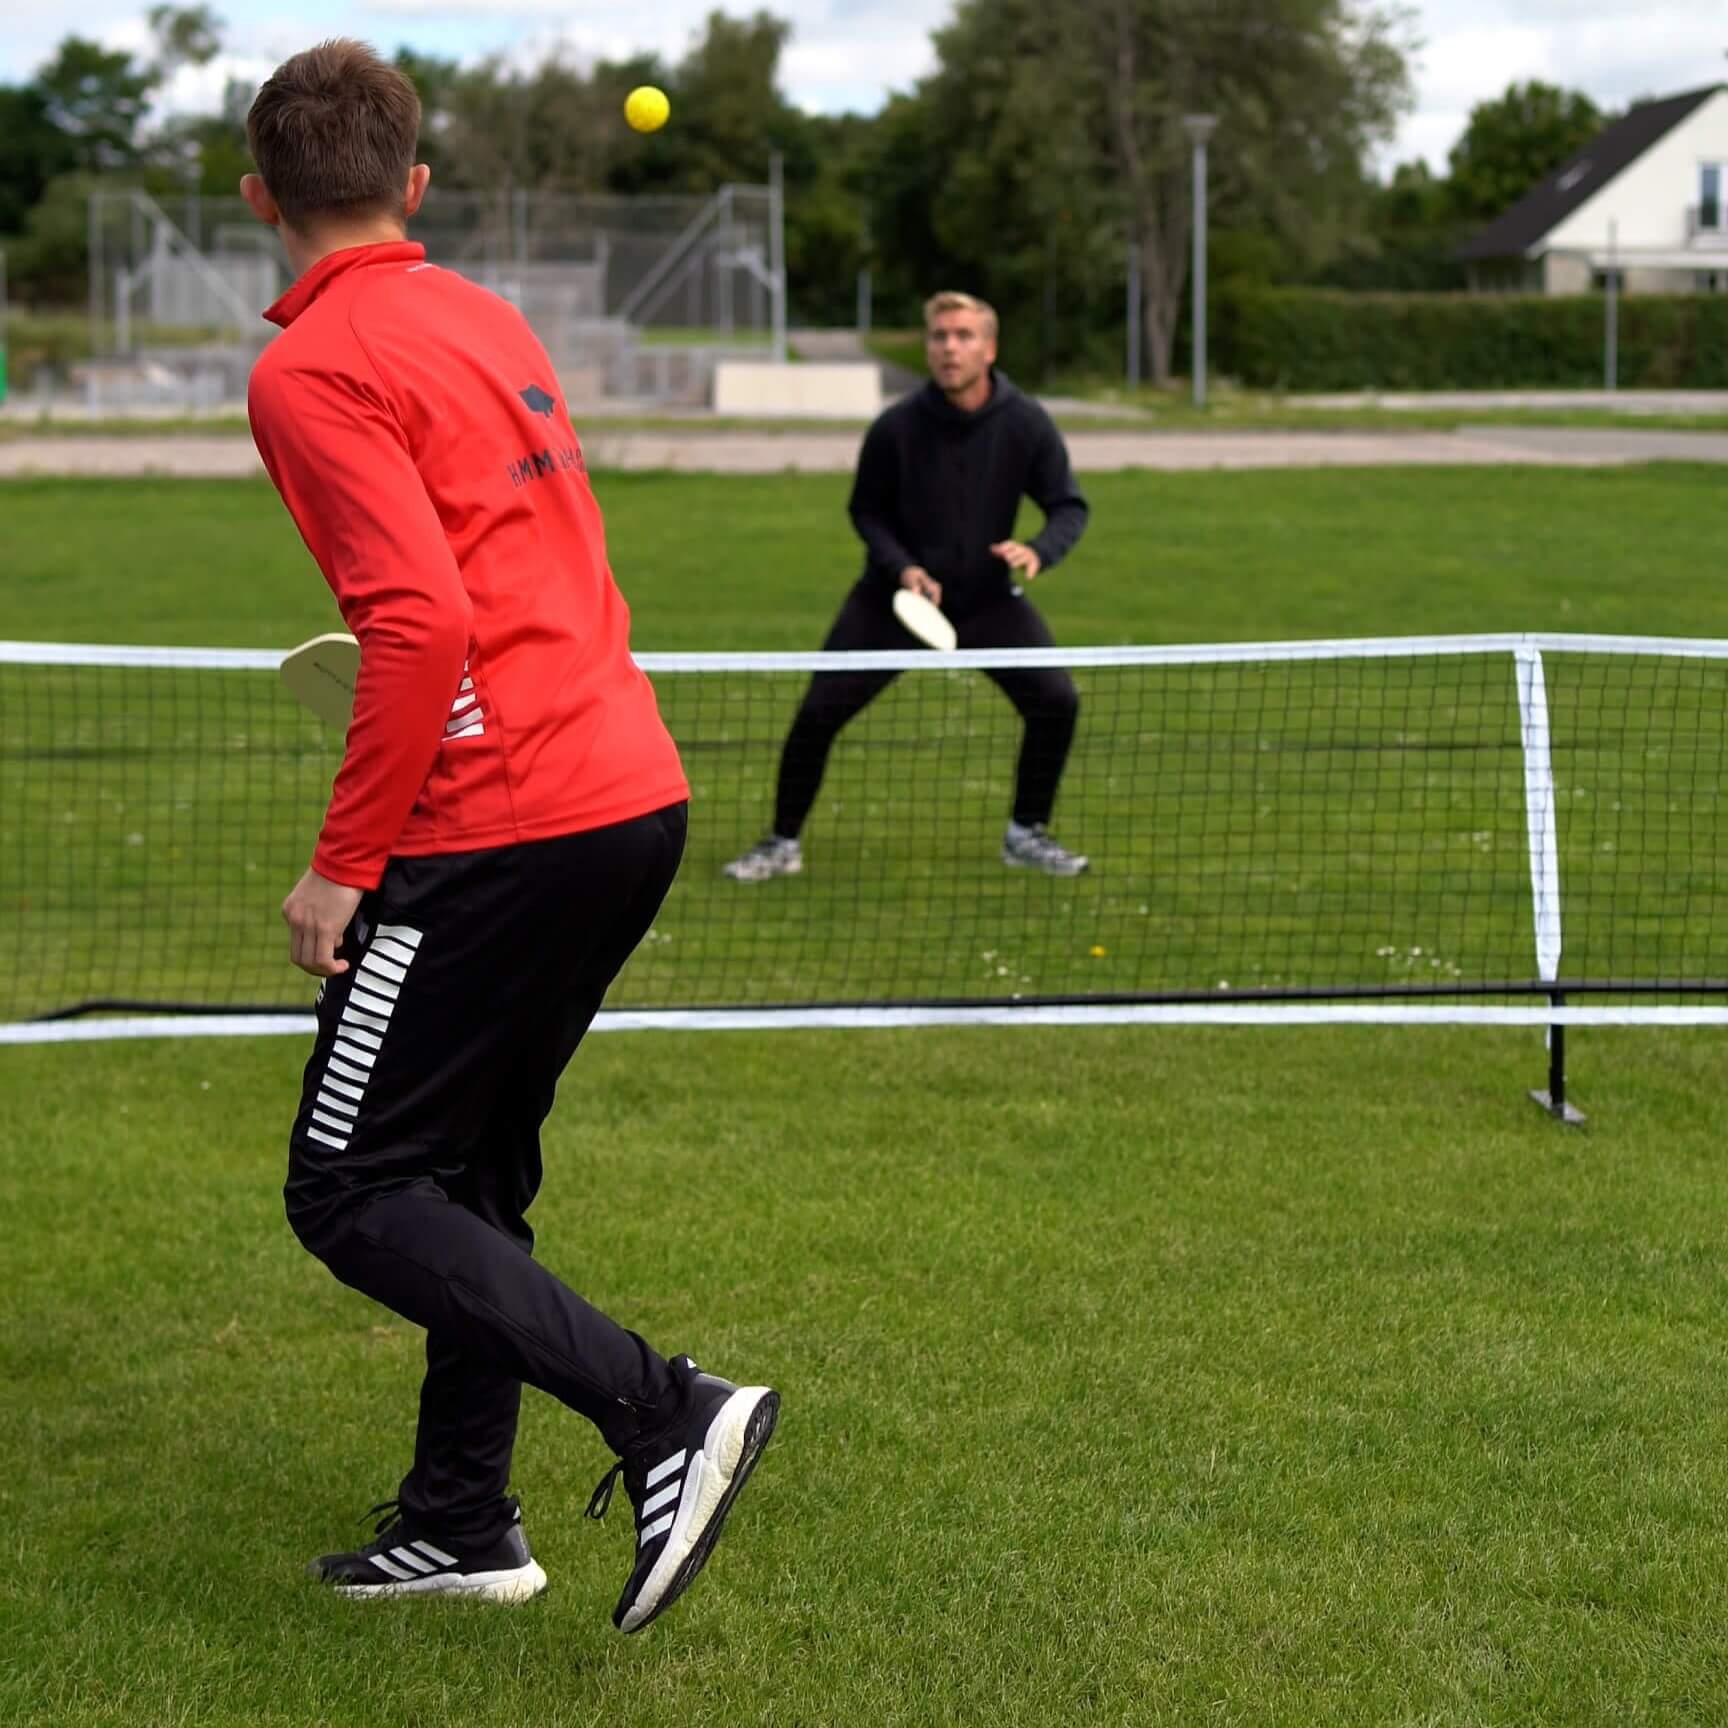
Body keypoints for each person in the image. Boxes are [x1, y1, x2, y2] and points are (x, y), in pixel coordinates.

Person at [242, 38, 776, 1633]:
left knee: (348, 1187)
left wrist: (344, 864)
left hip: (502, 824)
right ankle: (459, 1522)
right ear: (411, 185)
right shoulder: (483, 315)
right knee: (464, 1178)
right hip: (629, 794)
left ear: (262, 198)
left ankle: (662, 1407)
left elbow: (418, 620)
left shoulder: (305, 369)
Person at [724, 291, 1091, 883]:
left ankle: (1026, 833)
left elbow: (1068, 506)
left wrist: (1037, 550)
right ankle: (780, 842)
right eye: (940, 337)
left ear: (989, 348)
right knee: (817, 714)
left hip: (986, 602)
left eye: (964, 336)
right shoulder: (896, 427)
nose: (950, 348)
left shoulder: (1025, 423)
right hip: (893, 602)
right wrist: (902, 569)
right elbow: (865, 511)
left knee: (1056, 702)